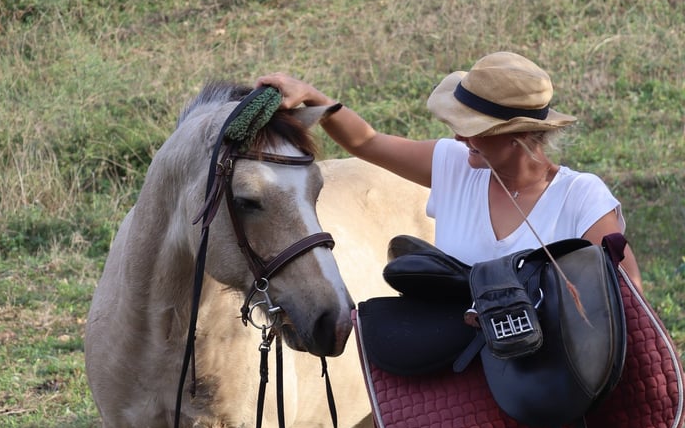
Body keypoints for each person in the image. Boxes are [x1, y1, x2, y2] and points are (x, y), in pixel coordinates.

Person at [256, 51, 642, 289]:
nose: (458, 136)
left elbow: (627, 298)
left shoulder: (582, 198)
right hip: (460, 381)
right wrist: (314, 97)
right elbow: (367, 142)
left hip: (555, 381)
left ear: (518, 136)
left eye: (473, 129)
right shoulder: (457, 166)